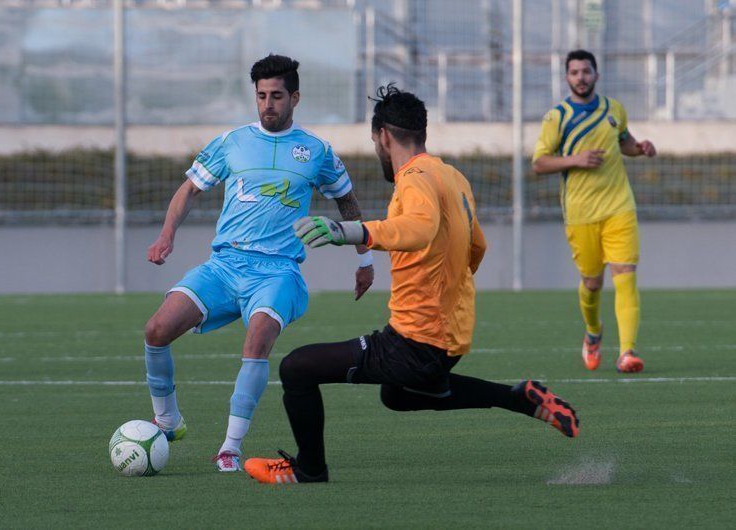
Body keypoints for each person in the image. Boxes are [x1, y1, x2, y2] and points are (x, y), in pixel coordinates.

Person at [243, 84, 579, 485]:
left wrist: (348, 231)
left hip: (416, 340)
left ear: (384, 135)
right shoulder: (451, 176)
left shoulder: (414, 178)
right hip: (450, 335)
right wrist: (447, 289)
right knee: (397, 395)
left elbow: (419, 229)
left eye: (375, 142)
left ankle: (309, 469)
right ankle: (519, 397)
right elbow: (477, 246)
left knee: (297, 368)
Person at [143, 54, 374, 472]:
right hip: (225, 265)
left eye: (277, 96)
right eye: (262, 95)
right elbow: (189, 189)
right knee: (156, 330)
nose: (268, 104)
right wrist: (166, 235)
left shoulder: (316, 150)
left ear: (295, 98)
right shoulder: (232, 142)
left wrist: (366, 259)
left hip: (278, 271)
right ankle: (168, 420)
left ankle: (230, 446)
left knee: (258, 339)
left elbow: (347, 201)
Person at [532, 49, 656, 373]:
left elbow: (624, 142)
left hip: (619, 206)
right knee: (592, 283)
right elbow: (539, 163)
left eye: (586, 71)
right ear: (567, 78)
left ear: (596, 75)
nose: (581, 78)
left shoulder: (614, 110)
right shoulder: (556, 117)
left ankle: (627, 352)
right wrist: (575, 159)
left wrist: (640, 149)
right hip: (581, 212)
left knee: (626, 277)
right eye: (574, 73)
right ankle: (593, 332)